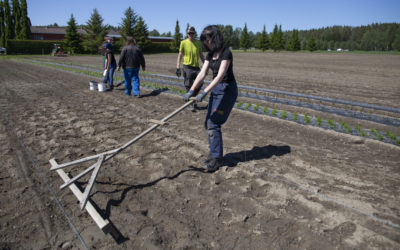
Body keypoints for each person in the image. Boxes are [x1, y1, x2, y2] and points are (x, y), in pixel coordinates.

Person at [183, 25, 238, 172]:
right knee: (208, 123)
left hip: (227, 90)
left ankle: (217, 159)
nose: (205, 43)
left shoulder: (226, 53)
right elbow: (202, 73)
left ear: (214, 38)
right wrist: (192, 90)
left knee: (213, 123)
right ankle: (214, 155)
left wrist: (204, 92)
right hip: (216, 89)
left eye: (206, 39)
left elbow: (220, 76)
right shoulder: (210, 54)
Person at [176, 26, 205, 111]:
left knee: (200, 82)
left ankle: (192, 98)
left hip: (196, 67)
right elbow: (180, 55)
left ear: (195, 34)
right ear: (187, 34)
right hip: (187, 67)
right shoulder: (183, 43)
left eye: (192, 33)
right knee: (188, 85)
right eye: (189, 33)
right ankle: (190, 103)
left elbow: (201, 55)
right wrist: (178, 67)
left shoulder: (198, 43)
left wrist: (206, 64)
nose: (191, 35)